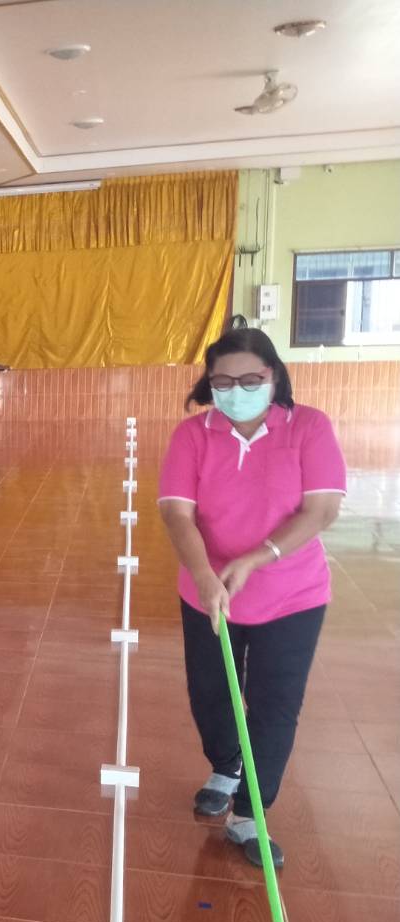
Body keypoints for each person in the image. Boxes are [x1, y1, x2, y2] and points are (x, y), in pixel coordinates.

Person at [157, 328, 346, 868]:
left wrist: (258, 558)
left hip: (292, 596)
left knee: (274, 705)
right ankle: (226, 765)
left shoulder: (308, 427)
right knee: (210, 692)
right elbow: (176, 512)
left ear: (274, 376)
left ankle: (249, 814)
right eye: (223, 382)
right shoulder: (193, 435)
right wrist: (204, 575)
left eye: (250, 379)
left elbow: (322, 510)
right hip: (208, 592)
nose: (236, 390)